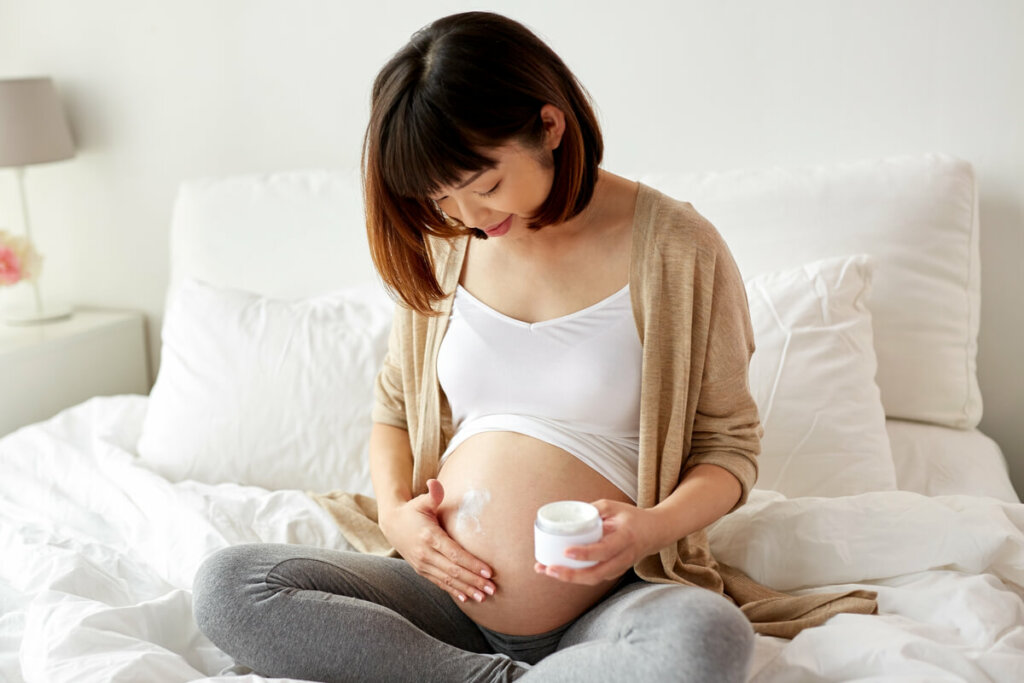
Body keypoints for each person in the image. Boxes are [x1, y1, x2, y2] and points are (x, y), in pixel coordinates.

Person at [191, 10, 876, 682]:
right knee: (229, 585)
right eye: (443, 199)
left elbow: (728, 445)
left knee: (709, 637)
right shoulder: (448, 242)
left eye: (484, 184)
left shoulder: (678, 249)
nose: (470, 218)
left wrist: (648, 528)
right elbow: (395, 408)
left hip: (612, 597)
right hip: (440, 600)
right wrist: (400, 518)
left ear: (550, 126)